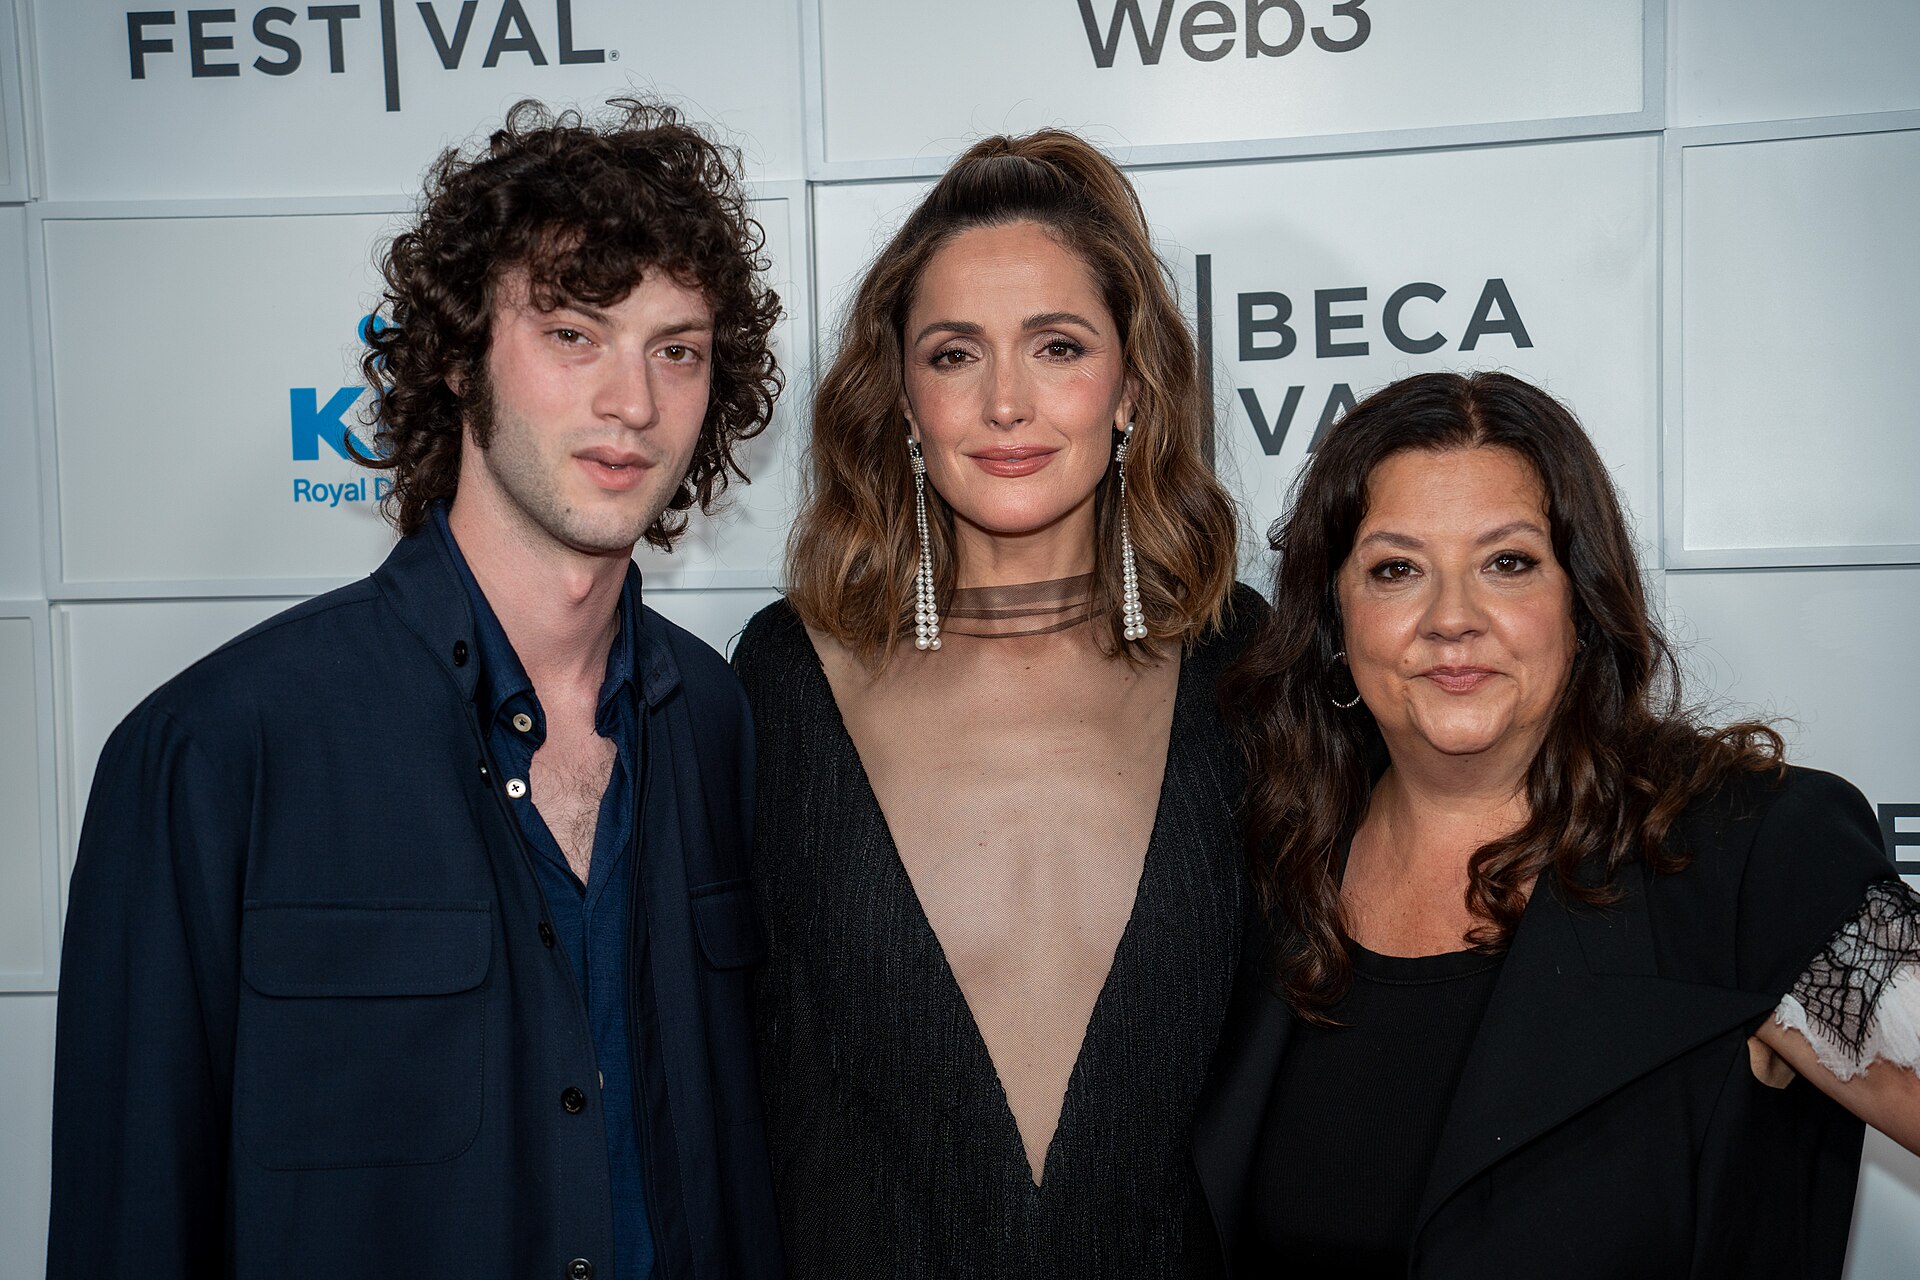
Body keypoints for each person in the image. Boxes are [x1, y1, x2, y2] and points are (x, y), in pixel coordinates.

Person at [48, 98, 786, 1280]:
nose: (634, 403)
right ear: (456, 356)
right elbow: (128, 1226)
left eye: (676, 348)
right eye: (574, 334)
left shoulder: (718, 718)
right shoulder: (212, 753)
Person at [1192, 370, 1920, 1278]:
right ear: (1335, 619)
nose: (1452, 619)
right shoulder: (1265, 865)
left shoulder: (1749, 855)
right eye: (1396, 569)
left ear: (1582, 603)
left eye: (1508, 562)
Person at [731, 130, 1260, 1276]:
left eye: (1058, 345)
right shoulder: (780, 679)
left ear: (1131, 387)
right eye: (957, 354)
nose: (1008, 402)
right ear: (905, 400)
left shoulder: (1252, 668)